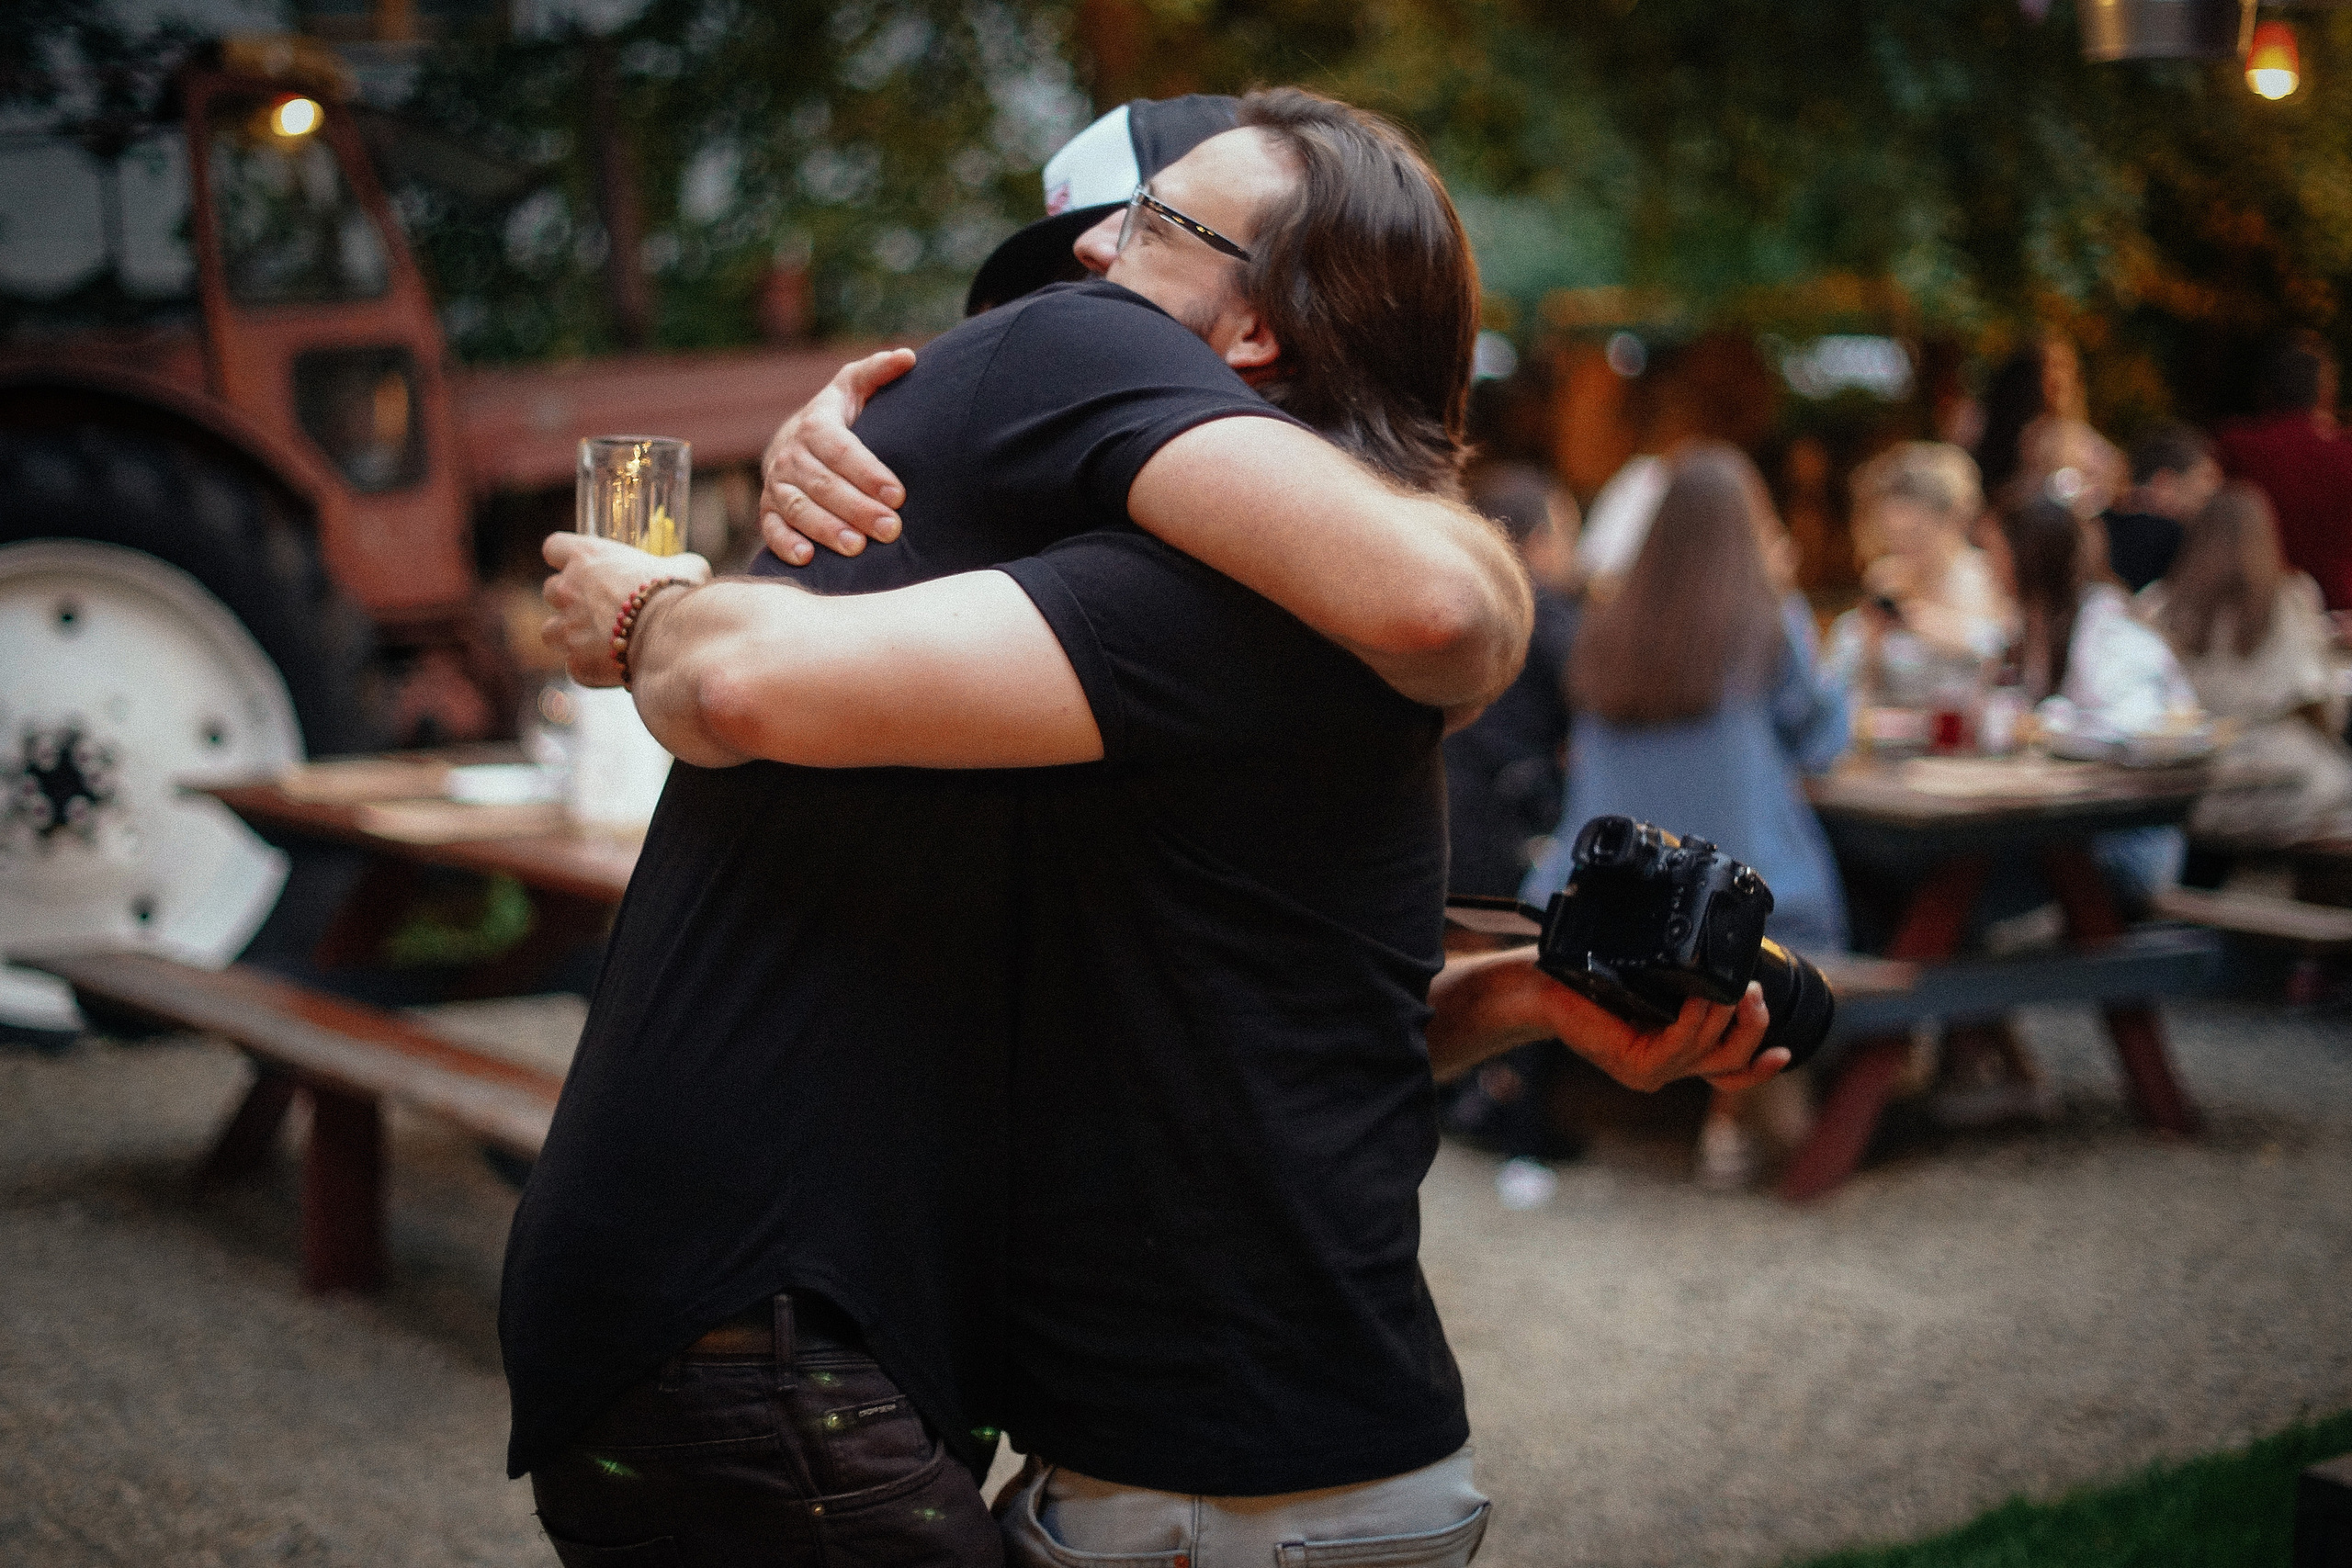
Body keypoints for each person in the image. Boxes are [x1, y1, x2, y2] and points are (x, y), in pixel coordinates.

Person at [535, 89, 1784, 1567]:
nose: (1071, 293)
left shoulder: (1237, 608)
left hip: (1140, 1451)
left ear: (1250, 339)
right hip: (853, 1356)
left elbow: (1235, 1020)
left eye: (1138, 236)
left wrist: (649, 605)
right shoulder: (1154, 594)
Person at [1522, 445, 1847, 1189]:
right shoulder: (1768, 622)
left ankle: (1715, 1109)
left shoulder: (1606, 625)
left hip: (1600, 901)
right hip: (1754, 907)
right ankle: (1752, 1110)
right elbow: (1823, 740)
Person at [1437, 463, 1584, 1179]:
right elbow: (1589, 704)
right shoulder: (1543, 614)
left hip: (1440, 821)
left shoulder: (1446, 604)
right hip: (1508, 827)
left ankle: (1464, 1095)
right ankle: (1517, 1116)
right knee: (1530, 947)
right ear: (1538, 540)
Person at [2141, 482, 2352, 845]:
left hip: (2197, 787)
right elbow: (2321, 700)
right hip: (2287, 780)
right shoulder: (2289, 598)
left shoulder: (2160, 605)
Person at [1822, 441, 2010, 708]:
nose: (1903, 547)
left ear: (1954, 521)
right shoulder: (1884, 581)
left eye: (1916, 534)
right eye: (1893, 536)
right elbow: (1848, 688)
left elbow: (2008, 654)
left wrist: (1932, 624)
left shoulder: (1987, 577)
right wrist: (1872, 642)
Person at [2213, 333, 2352, 611]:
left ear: (2266, 390)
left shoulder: (2236, 446)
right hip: (2340, 608)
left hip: (2255, 606)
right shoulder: (2343, 453)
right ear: (2325, 393)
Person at [2102, 423, 2222, 592]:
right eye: (2203, 499)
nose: (2206, 512)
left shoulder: (2092, 530)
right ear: (2164, 484)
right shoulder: (2177, 544)